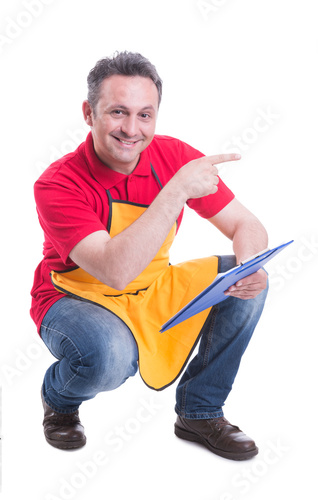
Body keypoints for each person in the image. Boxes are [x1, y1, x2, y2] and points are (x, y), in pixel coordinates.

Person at [30, 51, 268, 460]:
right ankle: (59, 399)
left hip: (152, 286)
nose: (131, 129)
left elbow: (247, 226)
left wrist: (249, 267)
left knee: (245, 283)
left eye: (145, 115)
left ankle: (199, 411)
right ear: (89, 113)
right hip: (77, 296)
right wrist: (175, 190)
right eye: (118, 112)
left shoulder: (173, 156)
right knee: (110, 357)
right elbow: (115, 272)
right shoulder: (58, 184)